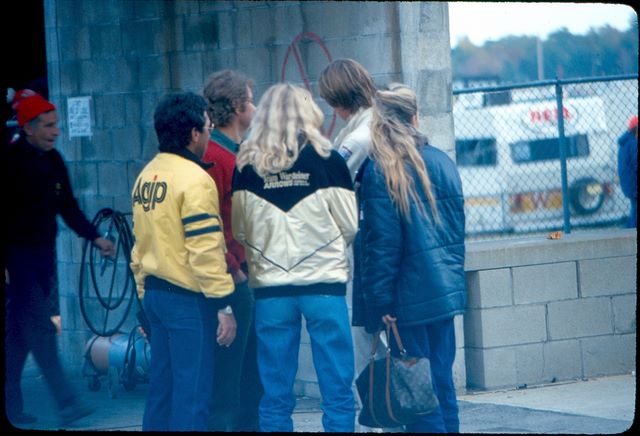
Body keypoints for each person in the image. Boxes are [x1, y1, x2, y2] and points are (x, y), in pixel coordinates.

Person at [231, 83, 358, 432]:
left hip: (271, 289)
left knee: (274, 393)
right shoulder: (329, 160)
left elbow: (240, 230)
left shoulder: (247, 165)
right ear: (308, 112)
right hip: (324, 286)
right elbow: (349, 225)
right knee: (337, 388)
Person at [353, 83, 466, 433]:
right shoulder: (442, 161)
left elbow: (381, 245)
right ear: (415, 117)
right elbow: (455, 235)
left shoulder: (381, 169)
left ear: (379, 121)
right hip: (443, 293)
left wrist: (380, 301)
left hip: (406, 299)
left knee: (417, 393)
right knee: (441, 383)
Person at [4, 89, 116, 426]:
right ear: (28, 128)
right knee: (41, 327)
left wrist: (95, 237)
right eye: (48, 125)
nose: (56, 131)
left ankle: (10, 405)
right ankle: (67, 403)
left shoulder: (53, 161)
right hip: (17, 259)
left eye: (56, 125)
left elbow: (68, 207)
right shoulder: (11, 163)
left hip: (42, 258)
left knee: (18, 337)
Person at [129, 92, 237, 431]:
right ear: (193, 134)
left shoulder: (146, 176)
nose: (209, 134)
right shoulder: (195, 179)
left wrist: (143, 298)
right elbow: (205, 249)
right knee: (192, 396)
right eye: (207, 127)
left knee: (161, 393)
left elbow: (138, 247)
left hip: (154, 296)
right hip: (187, 302)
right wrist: (224, 304)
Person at [318, 58, 395, 432]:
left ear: (338, 100)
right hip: (388, 249)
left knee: (367, 346)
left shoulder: (358, 139)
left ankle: (374, 422)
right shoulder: (382, 123)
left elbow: (326, 186)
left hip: (367, 252)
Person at [201, 69, 262, 432]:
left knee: (248, 373)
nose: (254, 108)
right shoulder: (216, 158)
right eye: (251, 102)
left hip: (242, 271)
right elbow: (212, 226)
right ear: (238, 107)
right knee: (231, 380)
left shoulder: (234, 154)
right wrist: (234, 269)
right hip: (232, 277)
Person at [617, 115, 637, 228]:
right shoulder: (633, 143)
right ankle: (630, 227)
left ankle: (629, 225)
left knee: (635, 205)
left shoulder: (625, 142)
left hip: (628, 181)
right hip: (633, 182)